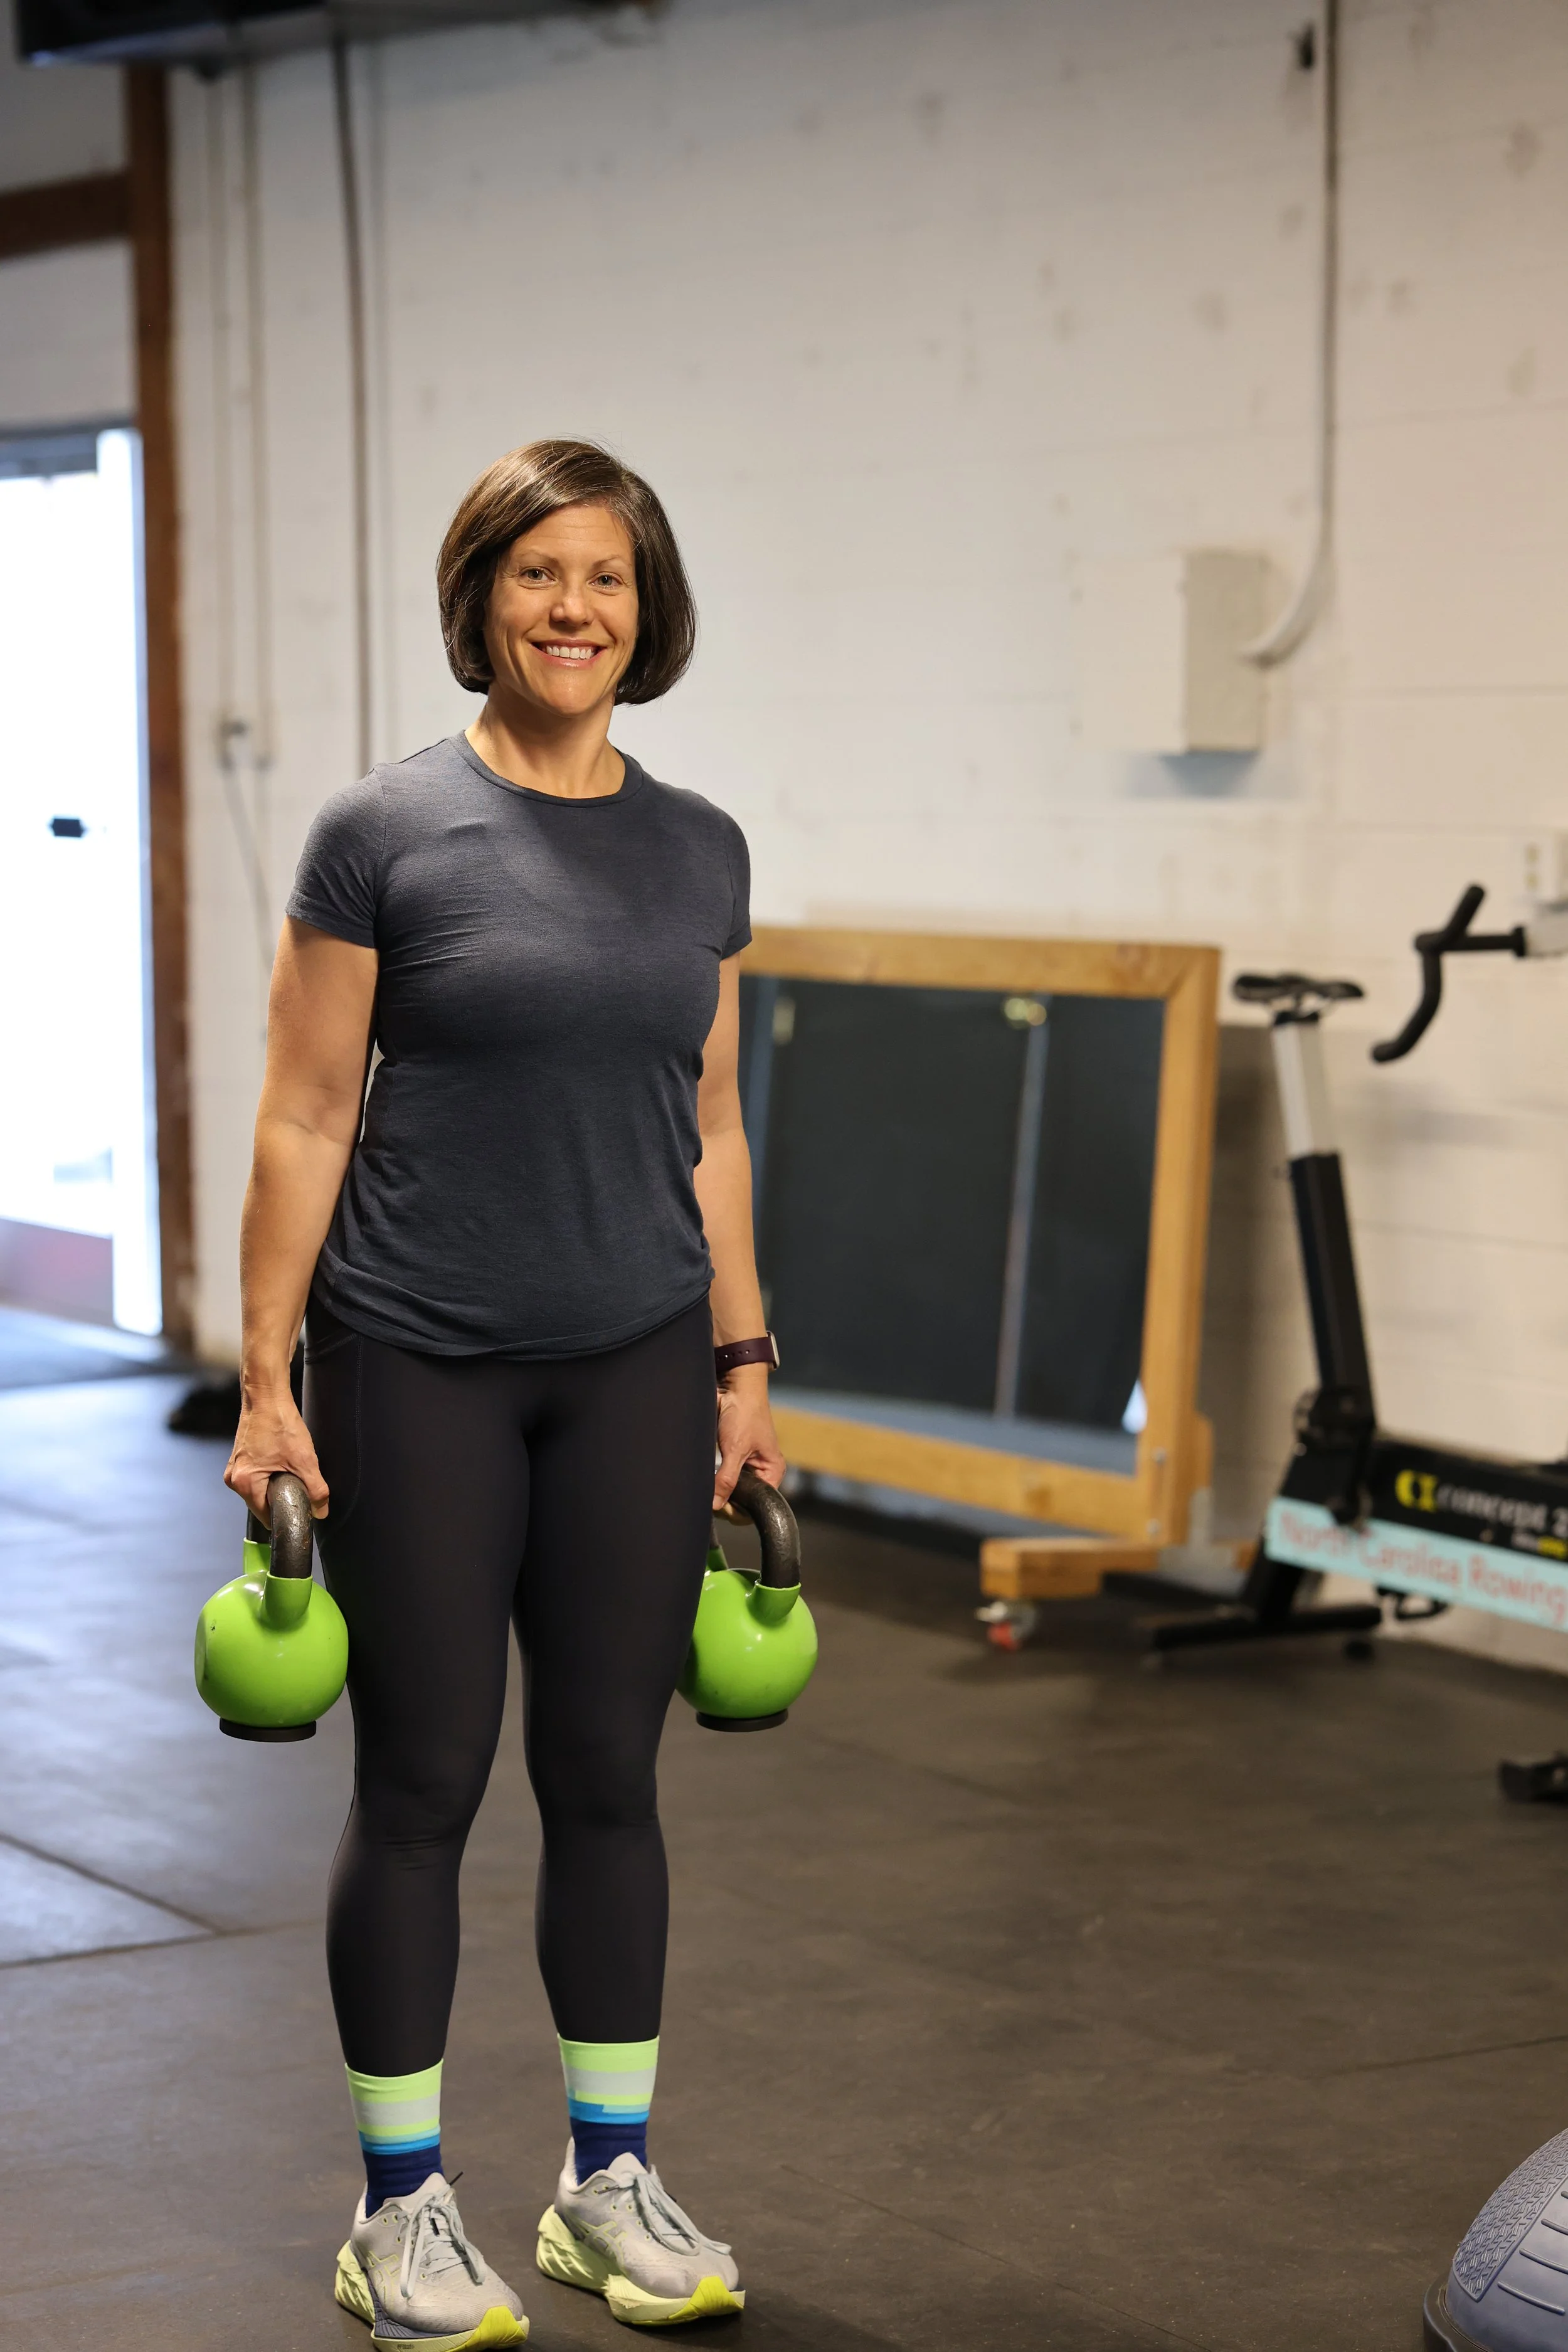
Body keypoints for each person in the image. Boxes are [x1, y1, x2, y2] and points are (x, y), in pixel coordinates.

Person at [225, 439, 785, 2346]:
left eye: (607, 577)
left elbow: (705, 1123)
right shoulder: (383, 834)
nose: (574, 609)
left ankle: (602, 2183)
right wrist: (264, 1377)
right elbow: (305, 1112)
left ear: (651, 605)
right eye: (538, 573)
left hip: (631, 1361)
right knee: (423, 1779)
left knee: (610, 1778)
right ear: (478, 597)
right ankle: (399, 2207)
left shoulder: (698, 845)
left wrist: (742, 1358)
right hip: (418, 1361)